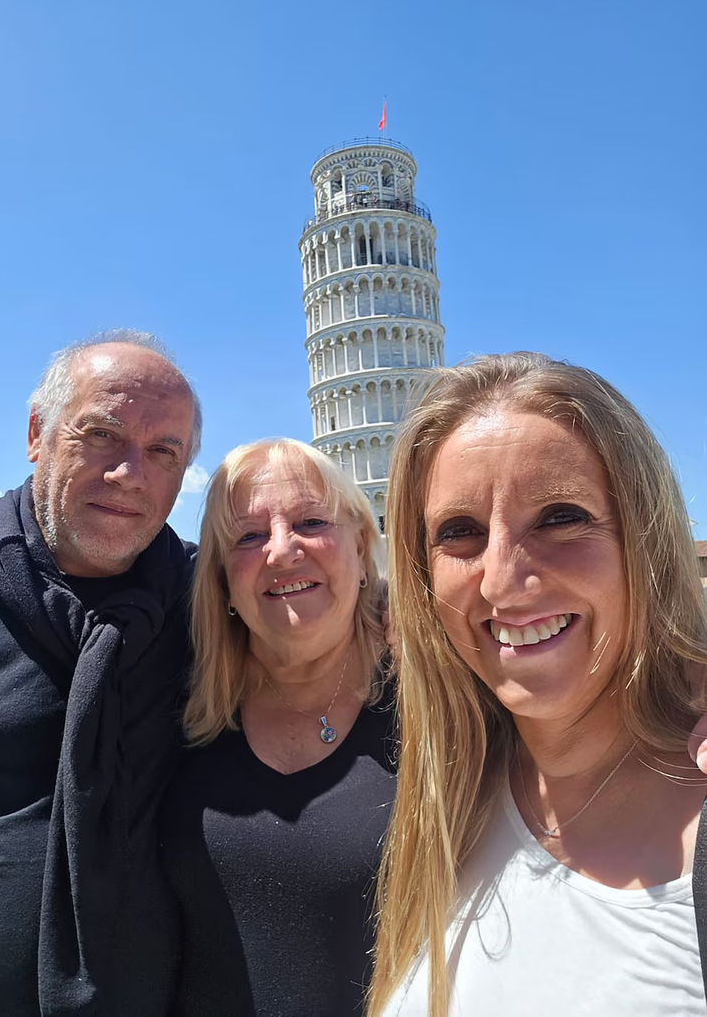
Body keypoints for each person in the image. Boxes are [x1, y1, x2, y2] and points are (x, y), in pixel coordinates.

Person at [368, 353, 707, 1017]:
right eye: (458, 532)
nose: (501, 579)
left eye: (560, 516)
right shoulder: (446, 805)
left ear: (644, 538)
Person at [0, 331, 201, 1017]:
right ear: (36, 433)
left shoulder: (209, 603)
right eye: (102, 435)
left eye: (162, 451)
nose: (128, 474)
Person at [159, 438, 395, 1016]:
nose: (283, 550)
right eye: (249, 535)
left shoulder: (439, 706)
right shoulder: (174, 707)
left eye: (312, 522)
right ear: (221, 579)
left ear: (361, 547)